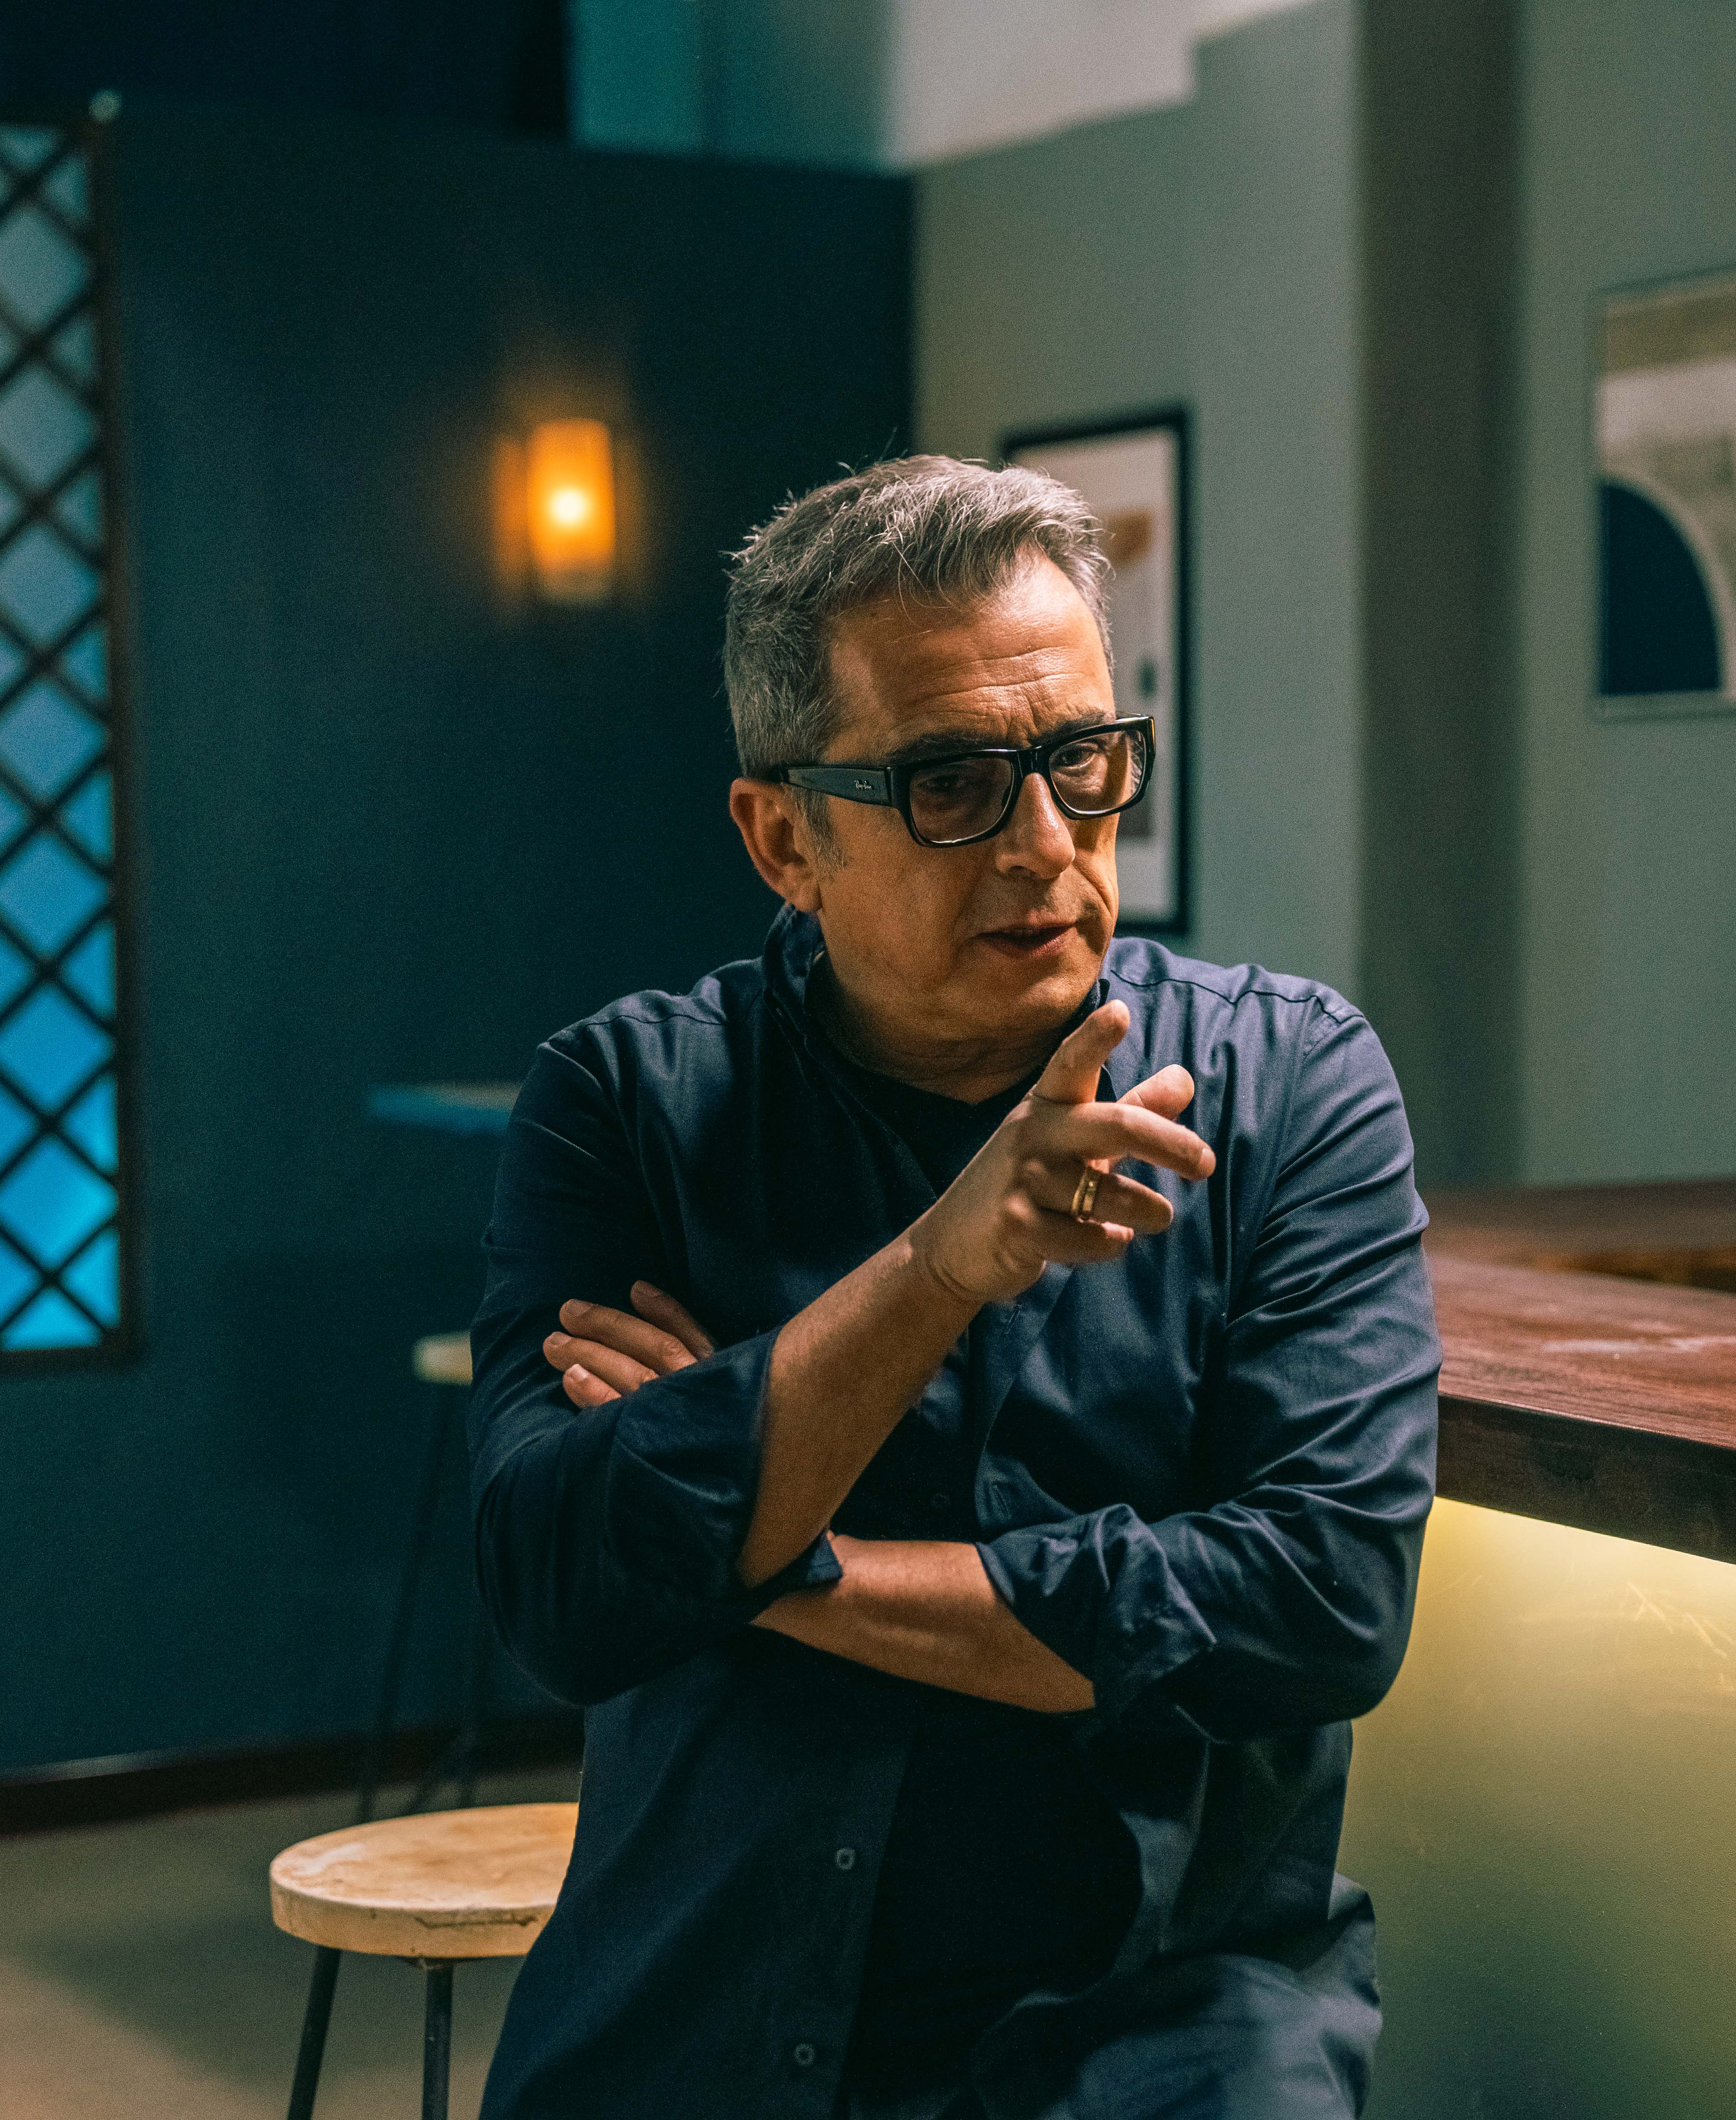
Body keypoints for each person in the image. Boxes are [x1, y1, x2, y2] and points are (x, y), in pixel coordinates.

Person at [464, 457, 1439, 2120]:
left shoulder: (1286, 1085)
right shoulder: (630, 1103)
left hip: (1159, 2025)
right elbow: (561, 1589)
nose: (1046, 845)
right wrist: (938, 1268)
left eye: (1083, 763)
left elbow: (1320, 1606)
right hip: (703, 2005)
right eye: (953, 786)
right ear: (785, 838)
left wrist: (768, 1556)